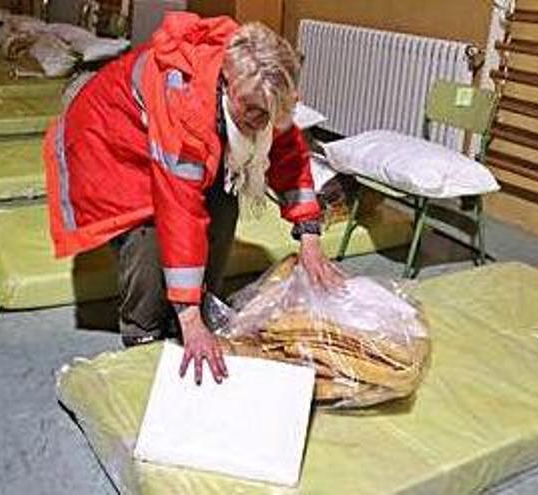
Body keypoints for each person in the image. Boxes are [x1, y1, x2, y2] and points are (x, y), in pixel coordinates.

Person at [44, 13, 344, 385]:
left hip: (167, 133)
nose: (258, 120)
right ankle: (144, 331)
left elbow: (288, 154)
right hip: (109, 139)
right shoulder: (185, 101)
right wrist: (190, 322)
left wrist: (310, 237)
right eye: (250, 110)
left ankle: (197, 300)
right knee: (150, 232)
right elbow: (179, 213)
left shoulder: (262, 88)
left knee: (222, 203)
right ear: (226, 82)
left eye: (267, 114)